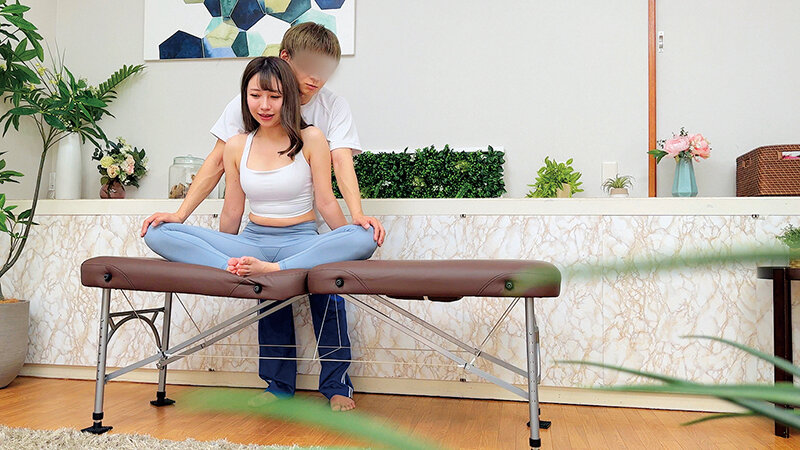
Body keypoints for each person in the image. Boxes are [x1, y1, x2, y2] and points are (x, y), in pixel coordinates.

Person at [142, 24, 382, 412]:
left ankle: (336, 382)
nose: (317, 78)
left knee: (340, 266)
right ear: (285, 60)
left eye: (325, 69)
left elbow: (336, 177)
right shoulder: (245, 121)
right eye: (257, 96)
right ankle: (277, 381)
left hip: (301, 239)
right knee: (159, 232)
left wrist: (349, 234)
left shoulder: (322, 122)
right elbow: (221, 181)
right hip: (254, 240)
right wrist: (192, 223)